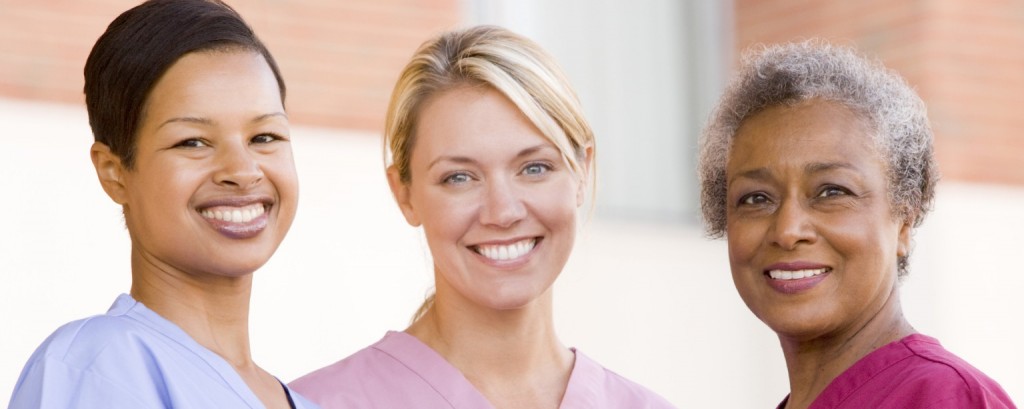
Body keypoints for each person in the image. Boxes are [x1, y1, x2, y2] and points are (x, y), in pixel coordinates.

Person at [290, 25, 674, 408]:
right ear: (403, 193)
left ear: (582, 171)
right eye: (459, 177)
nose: (503, 212)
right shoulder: (315, 404)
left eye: (535, 168)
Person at [8, 1, 315, 407]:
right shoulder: (99, 366)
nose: (242, 170)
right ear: (113, 172)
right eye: (193, 142)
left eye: (265, 137)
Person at [697, 40, 1016, 409]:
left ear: (904, 220)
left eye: (831, 191)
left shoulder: (944, 397)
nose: (787, 230)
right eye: (756, 198)